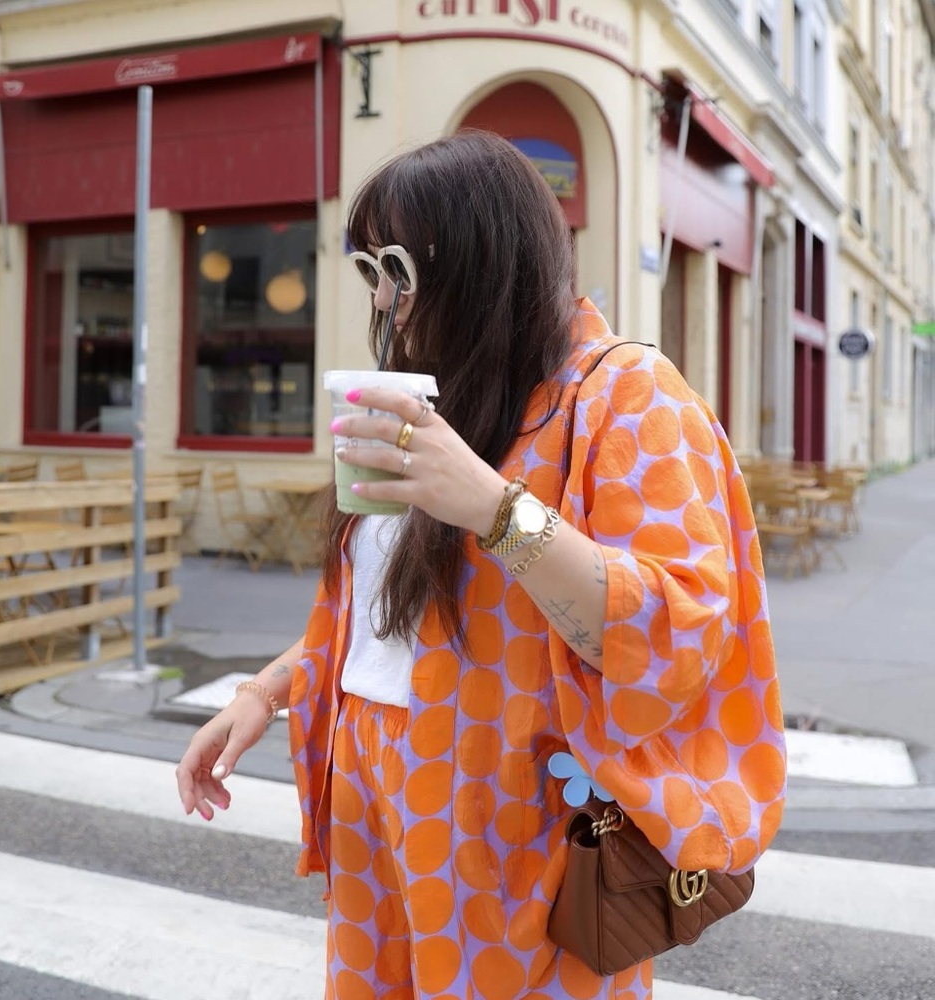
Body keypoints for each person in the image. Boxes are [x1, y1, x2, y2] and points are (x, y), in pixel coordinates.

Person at [176, 129, 786, 1000]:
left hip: (515, 823)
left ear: (477, 258)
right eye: (366, 270)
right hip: (376, 796)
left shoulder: (623, 394)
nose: (383, 298)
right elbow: (379, 617)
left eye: (394, 265)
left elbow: (677, 623)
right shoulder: (444, 393)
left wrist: (495, 510)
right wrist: (262, 695)